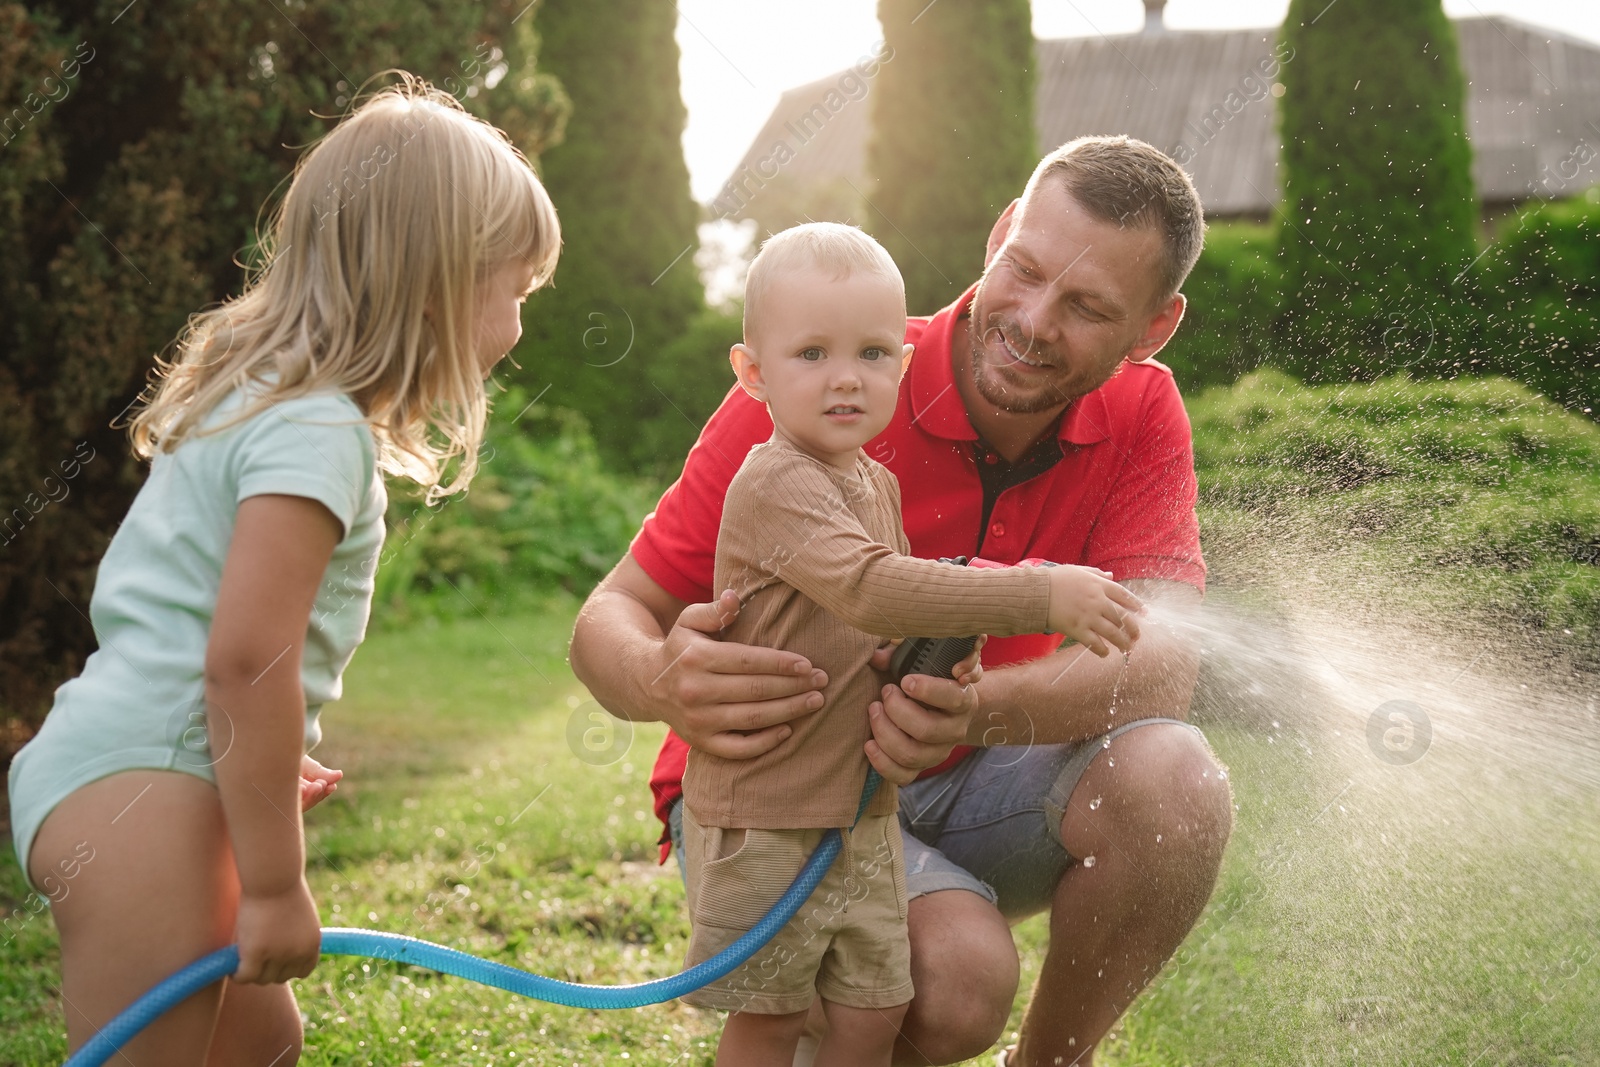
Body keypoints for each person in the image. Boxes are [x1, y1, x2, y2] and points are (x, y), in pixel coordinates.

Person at [571, 135, 1235, 1066]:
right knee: (954, 987)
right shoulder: (825, 377)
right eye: (1027, 269)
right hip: (779, 786)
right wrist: (660, 678)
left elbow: (1164, 661)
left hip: (962, 774)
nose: (1036, 320)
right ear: (1001, 232)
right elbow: (610, 615)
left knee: (1179, 779)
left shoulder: (1143, 413)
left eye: (1086, 306)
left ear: (1153, 329)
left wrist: (975, 711)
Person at [7, 77, 560, 1065]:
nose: (518, 327)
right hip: (149, 791)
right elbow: (246, 662)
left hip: (124, 767)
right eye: (514, 290)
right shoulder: (318, 431)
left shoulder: (264, 392)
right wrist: (272, 880)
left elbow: (192, 614)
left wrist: (251, 767)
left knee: (258, 1044)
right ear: (431, 275)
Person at [679, 222, 1145, 1066]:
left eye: (871, 354)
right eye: (811, 354)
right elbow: (869, 585)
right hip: (771, 811)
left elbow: (885, 624)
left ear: (902, 357)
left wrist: (945, 661)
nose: (846, 378)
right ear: (753, 374)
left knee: (874, 1002)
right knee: (773, 1014)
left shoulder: (872, 482)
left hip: (860, 814)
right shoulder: (775, 479)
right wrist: (1038, 589)